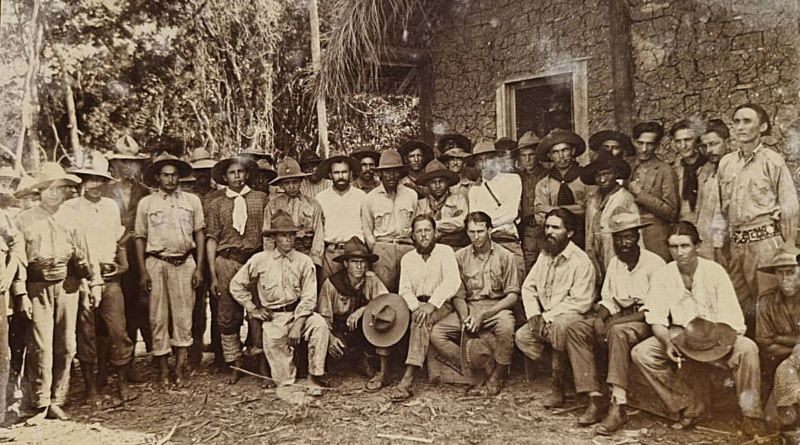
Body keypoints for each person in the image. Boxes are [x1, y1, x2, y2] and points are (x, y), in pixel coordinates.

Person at [631, 222, 765, 437]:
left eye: (685, 246)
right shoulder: (664, 275)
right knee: (643, 353)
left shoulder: (714, 272)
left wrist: (711, 348)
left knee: (747, 348)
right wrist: (667, 343)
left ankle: (752, 416)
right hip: (682, 338)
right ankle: (690, 406)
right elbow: (656, 318)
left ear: (697, 246)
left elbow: (732, 322)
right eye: (674, 247)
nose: (679, 253)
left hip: (718, 337)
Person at [565, 208, 665, 433]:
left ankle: (618, 405)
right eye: (619, 238)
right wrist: (600, 320)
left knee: (617, 333)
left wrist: (614, 324)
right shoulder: (615, 263)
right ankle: (595, 397)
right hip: (618, 317)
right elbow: (608, 300)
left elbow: (652, 311)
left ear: (638, 236)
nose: (624, 243)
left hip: (645, 322)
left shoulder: (654, 264)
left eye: (628, 236)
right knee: (576, 329)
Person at [15, 163, 101, 420]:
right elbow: (18, 259)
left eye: (59, 188)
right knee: (40, 344)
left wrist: (95, 281)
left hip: (68, 285)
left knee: (66, 344)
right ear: (40, 190)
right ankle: (40, 401)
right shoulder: (24, 219)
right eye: (49, 188)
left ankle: (57, 397)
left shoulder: (73, 218)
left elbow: (87, 252)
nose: (54, 193)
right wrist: (21, 293)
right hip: (37, 285)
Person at [719, 103, 799, 336]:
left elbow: (789, 206)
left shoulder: (772, 161)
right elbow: (723, 209)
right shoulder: (726, 163)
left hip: (765, 243)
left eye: (747, 121)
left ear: (762, 126)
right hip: (736, 246)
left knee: (768, 304)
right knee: (737, 305)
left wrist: (788, 247)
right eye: (737, 122)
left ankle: (770, 365)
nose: (740, 127)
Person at [229, 210, 329, 395]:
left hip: (299, 314)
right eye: (284, 235)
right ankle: (287, 381)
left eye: (291, 235)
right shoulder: (260, 260)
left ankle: (314, 376)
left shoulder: (304, 261)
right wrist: (253, 308)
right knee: (284, 381)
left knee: (319, 325)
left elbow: (309, 297)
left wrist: (298, 324)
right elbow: (236, 285)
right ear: (274, 237)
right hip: (273, 317)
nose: (289, 240)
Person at [64, 152, 137, 404]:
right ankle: (91, 388)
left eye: (99, 179)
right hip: (83, 278)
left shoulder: (110, 206)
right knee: (87, 333)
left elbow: (117, 242)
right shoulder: (69, 209)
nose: (94, 184)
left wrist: (123, 264)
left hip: (109, 278)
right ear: (82, 181)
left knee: (118, 330)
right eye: (89, 179)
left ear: (106, 181)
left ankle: (122, 384)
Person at [134, 153, 205, 388]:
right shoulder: (147, 203)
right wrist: (144, 271)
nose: (171, 180)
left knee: (184, 318)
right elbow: (140, 237)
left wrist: (199, 268)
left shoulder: (192, 201)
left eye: (175, 175)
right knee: (158, 318)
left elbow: (199, 234)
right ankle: (163, 370)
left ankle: (179, 368)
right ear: (157, 178)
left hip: (184, 263)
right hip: (157, 262)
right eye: (166, 175)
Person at [431, 212, 519, 396]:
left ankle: (498, 375)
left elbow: (512, 296)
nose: (476, 237)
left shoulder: (506, 257)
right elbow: (458, 295)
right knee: (437, 333)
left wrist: (485, 315)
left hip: (496, 308)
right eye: (471, 232)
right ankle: (480, 366)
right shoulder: (459, 256)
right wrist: (465, 317)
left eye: (480, 231)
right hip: (469, 307)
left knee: (506, 326)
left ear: (489, 230)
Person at [515, 208, 595, 408]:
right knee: (523, 337)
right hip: (547, 317)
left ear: (569, 233)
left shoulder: (580, 261)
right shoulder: (546, 254)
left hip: (575, 318)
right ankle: (569, 377)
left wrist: (548, 316)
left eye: (556, 228)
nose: (549, 232)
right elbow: (529, 286)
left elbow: (581, 302)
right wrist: (534, 315)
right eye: (547, 226)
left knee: (559, 328)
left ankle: (557, 387)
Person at [205, 156, 268, 383]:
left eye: (241, 172)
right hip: (227, 260)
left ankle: (261, 363)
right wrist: (212, 274)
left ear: (247, 174)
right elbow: (212, 239)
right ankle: (236, 364)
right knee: (227, 313)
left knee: (258, 310)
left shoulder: (261, 199)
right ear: (224, 177)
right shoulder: (216, 203)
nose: (237, 176)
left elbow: (267, 234)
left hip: (254, 259)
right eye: (232, 173)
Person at [390, 215, 461, 402]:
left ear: (435, 233)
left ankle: (407, 379)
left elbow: (452, 281)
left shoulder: (445, 252)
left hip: (441, 303)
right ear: (413, 236)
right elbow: (404, 289)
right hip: (417, 304)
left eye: (427, 230)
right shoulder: (407, 258)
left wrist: (431, 304)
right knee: (419, 318)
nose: (423, 235)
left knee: (422, 321)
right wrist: (415, 307)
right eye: (419, 231)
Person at [104, 136, 152, 367]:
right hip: (109, 255)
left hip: (137, 256)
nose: (127, 167)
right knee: (107, 308)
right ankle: (105, 365)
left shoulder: (146, 192)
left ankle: (129, 361)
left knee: (134, 307)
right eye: (122, 162)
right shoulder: (103, 191)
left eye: (132, 162)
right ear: (114, 165)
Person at [316, 237, 389, 389]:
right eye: (354, 262)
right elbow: (323, 317)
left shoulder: (371, 280)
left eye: (363, 262)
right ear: (345, 264)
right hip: (339, 329)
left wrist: (363, 310)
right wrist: (329, 338)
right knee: (337, 355)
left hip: (362, 328)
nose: (359, 266)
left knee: (381, 323)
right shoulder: (332, 284)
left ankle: (368, 362)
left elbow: (385, 302)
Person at [467, 139, 524, 285]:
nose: (485, 164)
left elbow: (511, 213)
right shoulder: (474, 190)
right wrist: (491, 219)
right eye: (480, 161)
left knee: (515, 287)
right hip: (484, 245)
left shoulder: (512, 180)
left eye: (488, 159)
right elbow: (475, 221)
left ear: (496, 159)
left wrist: (485, 223)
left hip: (508, 240)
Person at [362, 150, 418, 292]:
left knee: (410, 290)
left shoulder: (411, 195)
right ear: (379, 174)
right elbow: (367, 230)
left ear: (401, 173)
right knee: (384, 293)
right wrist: (377, 250)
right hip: (383, 249)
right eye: (387, 172)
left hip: (407, 247)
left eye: (395, 171)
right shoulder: (370, 198)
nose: (391, 176)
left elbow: (417, 223)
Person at [626, 121, 679, 262]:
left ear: (657, 145)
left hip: (655, 241)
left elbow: (671, 212)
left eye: (649, 144)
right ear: (633, 141)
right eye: (640, 143)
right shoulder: (626, 167)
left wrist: (641, 195)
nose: (644, 149)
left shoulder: (665, 170)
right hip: (629, 239)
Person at [581, 150, 640, 275]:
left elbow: (636, 231)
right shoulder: (592, 201)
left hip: (617, 254)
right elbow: (588, 232)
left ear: (616, 174)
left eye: (606, 174)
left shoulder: (624, 198)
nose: (602, 179)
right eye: (598, 176)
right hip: (596, 256)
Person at [187, 147, 217, 365]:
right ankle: (194, 348)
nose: (203, 176)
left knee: (218, 301)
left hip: (215, 253)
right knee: (195, 304)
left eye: (207, 170)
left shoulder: (220, 194)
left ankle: (219, 349)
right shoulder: (187, 196)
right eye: (199, 171)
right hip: (194, 254)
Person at [755, 247, 800, 394]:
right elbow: (765, 343)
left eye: (791, 272)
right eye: (780, 273)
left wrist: (779, 338)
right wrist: (795, 351)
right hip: (779, 363)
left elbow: (772, 341)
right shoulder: (766, 301)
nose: (785, 279)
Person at [315, 154, 367, 284]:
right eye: (336, 173)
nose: (341, 176)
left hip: (356, 254)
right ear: (330, 175)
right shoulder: (321, 198)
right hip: (331, 253)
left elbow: (367, 226)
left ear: (350, 174)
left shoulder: (361, 196)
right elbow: (318, 230)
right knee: (329, 291)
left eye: (344, 172)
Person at [534, 130, 589, 250]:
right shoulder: (544, 184)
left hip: (585, 235)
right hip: (556, 238)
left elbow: (589, 208)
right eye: (555, 152)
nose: (561, 156)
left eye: (565, 150)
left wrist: (553, 209)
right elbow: (541, 216)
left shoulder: (586, 178)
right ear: (550, 156)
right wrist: (576, 208)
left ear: (572, 151)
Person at [263, 157, 324, 266]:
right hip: (281, 255)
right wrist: (270, 260)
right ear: (281, 185)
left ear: (301, 181)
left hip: (306, 253)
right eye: (287, 183)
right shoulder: (273, 205)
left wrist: (314, 260)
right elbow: (268, 237)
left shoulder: (312, 204)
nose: (291, 187)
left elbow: (319, 234)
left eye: (295, 182)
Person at [511, 131, 548, 271]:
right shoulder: (516, 178)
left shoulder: (547, 176)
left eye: (531, 155)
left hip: (545, 227)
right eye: (523, 156)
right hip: (527, 228)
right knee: (529, 261)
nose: (527, 160)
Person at [695, 119, 730, 267]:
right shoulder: (706, 172)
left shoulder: (733, 170)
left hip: (727, 244)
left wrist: (721, 244)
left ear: (727, 142)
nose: (709, 150)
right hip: (708, 244)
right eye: (705, 146)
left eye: (714, 144)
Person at [414, 160, 469, 249]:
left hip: (455, 245)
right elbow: (419, 226)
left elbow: (463, 222)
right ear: (427, 184)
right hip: (429, 247)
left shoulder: (459, 199)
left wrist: (435, 224)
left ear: (448, 182)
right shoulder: (421, 204)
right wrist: (449, 225)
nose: (438, 185)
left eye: (441, 181)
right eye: (433, 182)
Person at [670, 120, 707, 224]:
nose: (683, 146)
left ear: (696, 140)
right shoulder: (675, 172)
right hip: (683, 231)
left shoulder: (709, 168)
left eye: (687, 140)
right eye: (678, 141)